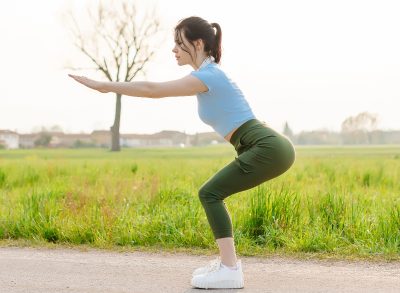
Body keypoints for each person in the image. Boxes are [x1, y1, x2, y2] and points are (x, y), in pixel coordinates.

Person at [68, 16, 295, 290]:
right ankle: (228, 265)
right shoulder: (208, 74)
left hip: (266, 146)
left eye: (179, 43)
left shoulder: (207, 76)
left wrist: (106, 86)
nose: (174, 49)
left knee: (209, 193)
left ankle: (230, 269)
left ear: (198, 43)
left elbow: (153, 90)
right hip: (261, 144)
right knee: (212, 193)